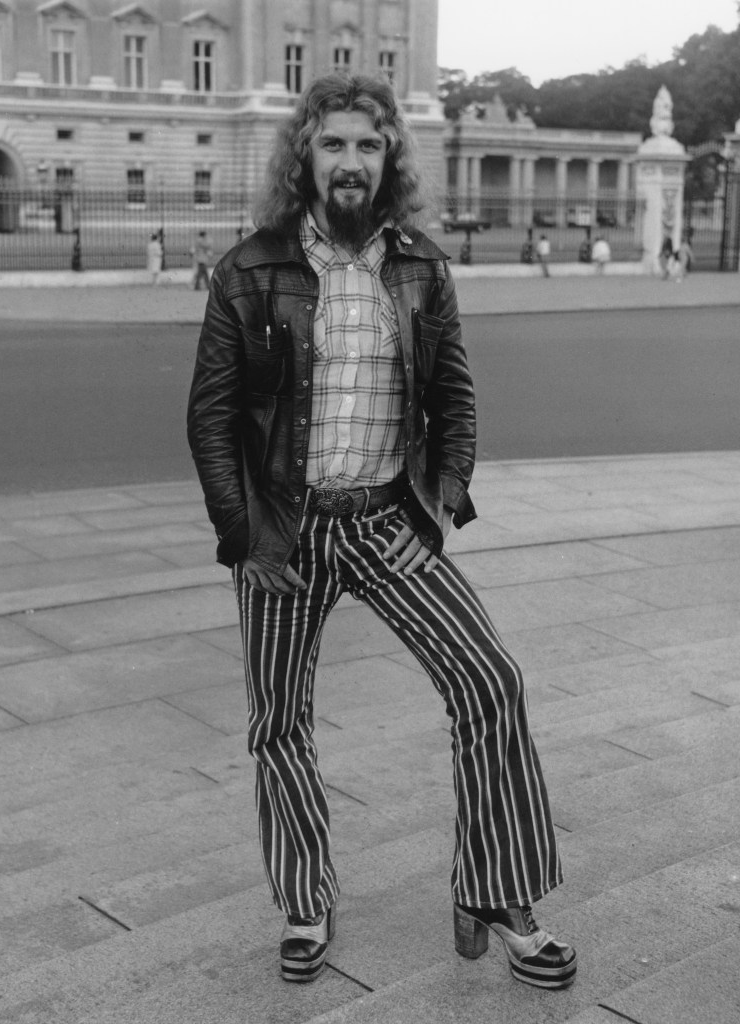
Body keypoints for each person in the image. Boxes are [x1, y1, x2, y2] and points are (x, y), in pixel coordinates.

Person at [187, 73, 576, 991]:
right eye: (334, 144)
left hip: (385, 524)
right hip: (285, 535)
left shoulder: (420, 267)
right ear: (305, 158)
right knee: (279, 722)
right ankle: (305, 900)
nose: (352, 161)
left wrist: (436, 512)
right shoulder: (249, 269)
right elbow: (210, 417)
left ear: (389, 155)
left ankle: (498, 889)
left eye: (368, 144)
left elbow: (454, 399)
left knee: (492, 680)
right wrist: (245, 538)